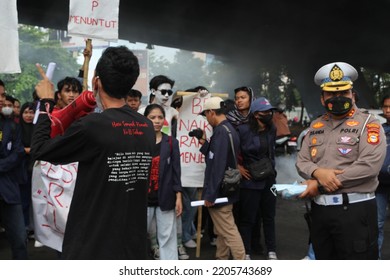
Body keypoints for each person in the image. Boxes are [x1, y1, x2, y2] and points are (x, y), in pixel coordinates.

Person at [31, 46, 156, 259]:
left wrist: (45, 102)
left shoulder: (94, 126)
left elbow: (39, 149)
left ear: (96, 82)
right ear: (131, 83)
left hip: (93, 244)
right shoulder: (146, 127)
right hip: (132, 243)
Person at [296, 62, 386, 260]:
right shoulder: (316, 125)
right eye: (331, 94)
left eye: (343, 92)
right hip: (320, 211)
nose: (338, 98)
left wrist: (318, 185)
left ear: (352, 95)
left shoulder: (369, 124)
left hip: (355, 212)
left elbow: (369, 166)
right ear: (322, 98)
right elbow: (302, 161)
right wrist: (317, 172)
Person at [196, 96, 245, 260]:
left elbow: (217, 167)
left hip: (219, 192)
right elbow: (219, 157)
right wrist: (203, 141)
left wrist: (210, 195)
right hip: (227, 188)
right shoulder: (229, 129)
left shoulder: (220, 132)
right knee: (222, 230)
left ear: (211, 112)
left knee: (228, 230)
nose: (206, 119)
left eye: (206, 115)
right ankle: (221, 259)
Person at [236, 97, 278, 260]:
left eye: (270, 111)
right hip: (250, 181)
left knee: (269, 216)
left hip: (268, 180)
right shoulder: (242, 130)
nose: (268, 114)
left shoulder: (272, 128)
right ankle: (245, 251)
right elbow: (231, 150)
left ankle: (271, 250)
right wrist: (237, 166)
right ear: (255, 114)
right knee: (248, 218)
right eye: (264, 112)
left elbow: (272, 151)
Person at [144, 104, 183, 259]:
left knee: (167, 238)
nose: (157, 121)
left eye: (160, 117)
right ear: (145, 119)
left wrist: (178, 196)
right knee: (138, 236)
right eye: (152, 117)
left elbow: (176, 171)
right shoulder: (137, 141)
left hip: (165, 197)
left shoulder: (172, 142)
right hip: (142, 199)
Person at [0, 79, 28, 259]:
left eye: (2, 94)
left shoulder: (11, 125)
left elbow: (18, 154)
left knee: (20, 239)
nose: (1, 99)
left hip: (9, 190)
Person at [376, 93, 390, 259]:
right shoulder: (378, 130)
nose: (388, 110)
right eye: (385, 106)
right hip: (379, 185)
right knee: (377, 224)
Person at [18, 102, 35, 233]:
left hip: (36, 169)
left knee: (37, 201)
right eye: (26, 112)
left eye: (32, 112)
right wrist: (30, 150)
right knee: (24, 200)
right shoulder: (16, 128)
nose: (29, 115)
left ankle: (36, 229)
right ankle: (24, 228)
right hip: (21, 169)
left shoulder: (38, 129)